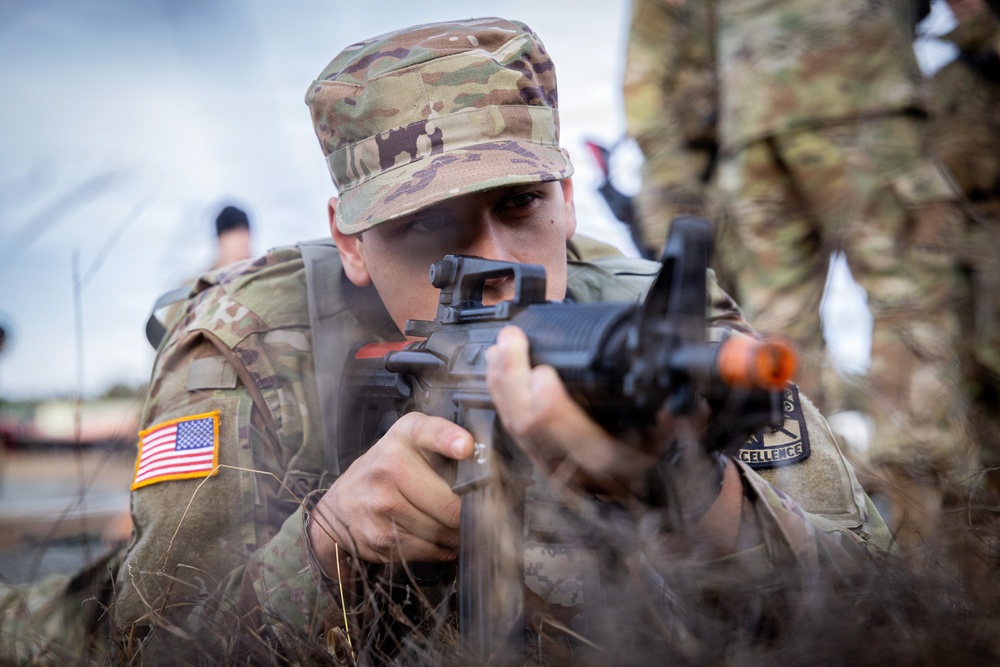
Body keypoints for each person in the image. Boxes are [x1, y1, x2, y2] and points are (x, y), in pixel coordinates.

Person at [1, 18, 894, 665]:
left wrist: (703, 502)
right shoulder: (248, 343)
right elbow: (154, 643)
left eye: (519, 207)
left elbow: (884, 602)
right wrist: (325, 544)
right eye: (431, 225)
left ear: (568, 196)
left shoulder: (658, 332)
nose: (496, 264)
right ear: (349, 239)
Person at [703, 0, 978, 552]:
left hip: (751, 117)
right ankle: (926, 550)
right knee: (909, 309)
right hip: (862, 92)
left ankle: (816, 535)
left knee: (777, 326)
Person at [925, 0, 1000, 482]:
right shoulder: (945, 77)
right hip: (953, 235)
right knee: (960, 369)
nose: (956, 6)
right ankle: (977, 506)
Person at [622, 0, 720, 264]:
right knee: (685, 287)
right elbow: (640, 91)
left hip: (745, 165)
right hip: (681, 167)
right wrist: (677, 181)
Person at [211, 204, 254, 269]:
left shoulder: (264, 271)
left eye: (245, 233)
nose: (243, 240)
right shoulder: (206, 277)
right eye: (235, 235)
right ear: (221, 240)